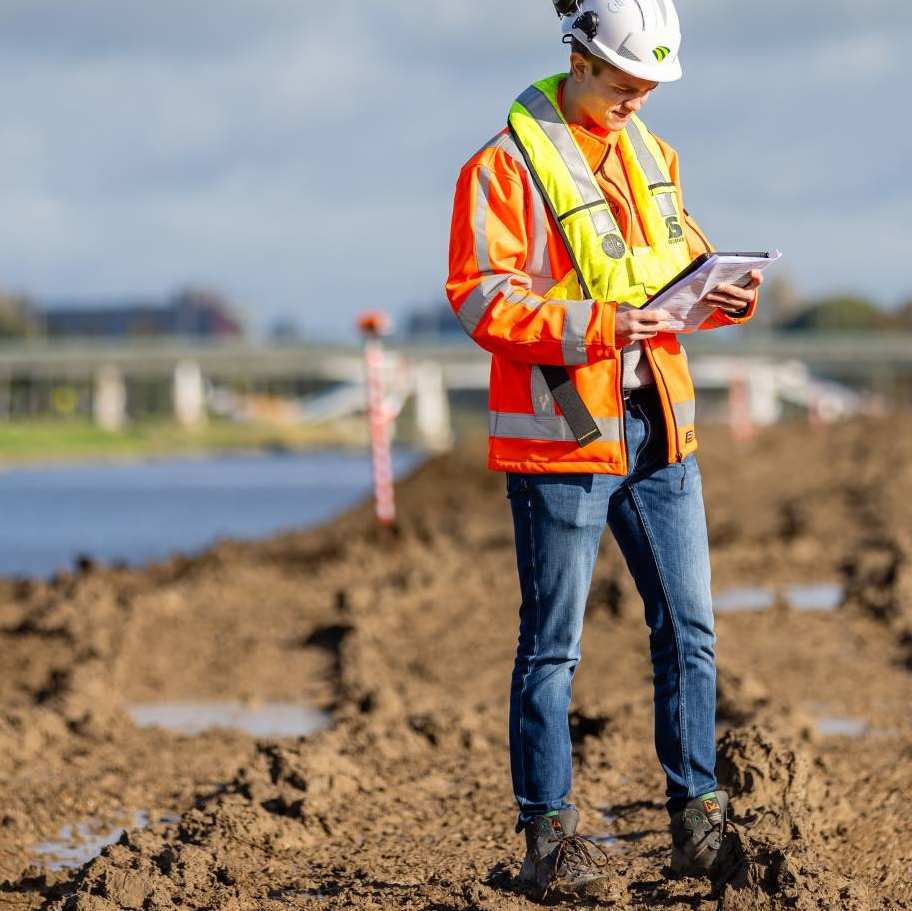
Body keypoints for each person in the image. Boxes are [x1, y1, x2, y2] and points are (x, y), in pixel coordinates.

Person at [445, 0, 763, 898]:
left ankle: (697, 825)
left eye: (649, 89)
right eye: (624, 85)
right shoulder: (500, 169)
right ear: (578, 59)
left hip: (660, 428)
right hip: (566, 436)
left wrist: (725, 290)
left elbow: (682, 255)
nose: (636, 102)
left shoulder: (652, 153)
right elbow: (480, 300)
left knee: (690, 632)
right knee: (553, 649)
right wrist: (604, 325)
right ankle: (549, 842)